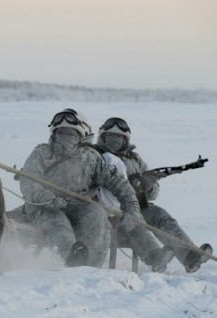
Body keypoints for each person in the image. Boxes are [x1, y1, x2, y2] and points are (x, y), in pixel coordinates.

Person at [18, 108, 159, 268]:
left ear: (80, 136)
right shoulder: (41, 153)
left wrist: (132, 207)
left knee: (96, 213)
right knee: (57, 221)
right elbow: (28, 181)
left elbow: (119, 184)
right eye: (61, 132)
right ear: (54, 133)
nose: (65, 137)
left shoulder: (91, 158)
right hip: (44, 206)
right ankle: (71, 257)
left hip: (78, 204)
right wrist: (45, 197)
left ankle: (90, 267)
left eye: (71, 134)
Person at [96, 117, 213, 273]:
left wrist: (146, 187)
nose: (115, 140)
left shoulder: (135, 159)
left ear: (125, 140)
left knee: (160, 214)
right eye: (110, 135)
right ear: (103, 137)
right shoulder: (95, 156)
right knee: (134, 219)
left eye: (119, 136)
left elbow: (154, 192)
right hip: (110, 210)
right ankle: (155, 257)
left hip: (138, 205)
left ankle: (189, 256)